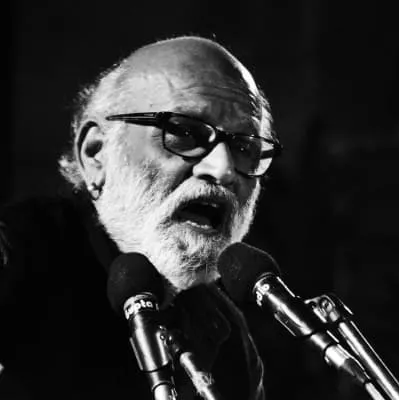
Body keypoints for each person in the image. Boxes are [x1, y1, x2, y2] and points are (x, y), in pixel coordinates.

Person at [0, 35, 282, 400]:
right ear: (96, 154)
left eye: (244, 147)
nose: (223, 169)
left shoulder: (228, 339)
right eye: (184, 132)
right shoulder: (15, 257)